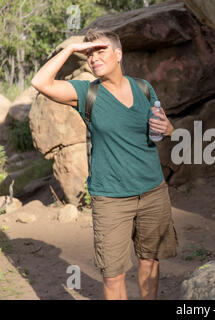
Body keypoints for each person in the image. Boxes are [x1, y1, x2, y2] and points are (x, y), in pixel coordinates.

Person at [31, 29, 178, 300]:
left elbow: (159, 130)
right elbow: (40, 82)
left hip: (153, 192)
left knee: (150, 262)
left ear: (118, 54)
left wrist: (169, 129)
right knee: (112, 276)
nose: (93, 58)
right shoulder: (85, 92)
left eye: (100, 51)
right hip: (111, 199)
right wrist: (71, 48)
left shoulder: (144, 88)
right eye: (89, 54)